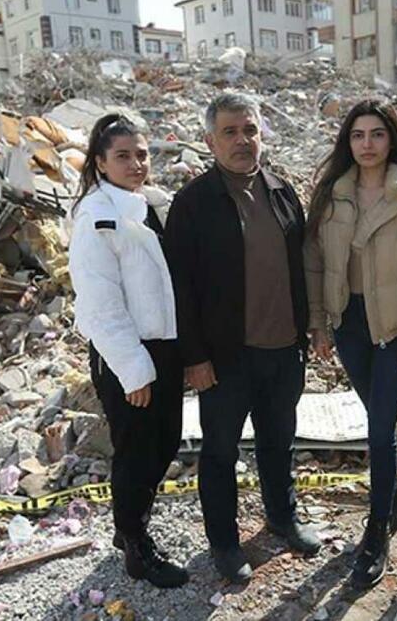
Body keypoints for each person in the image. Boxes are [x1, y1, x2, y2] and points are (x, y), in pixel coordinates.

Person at [163, 93, 319, 584]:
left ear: (261, 135)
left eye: (249, 130)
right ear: (210, 141)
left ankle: (282, 515)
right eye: (230, 132)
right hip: (225, 358)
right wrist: (194, 357)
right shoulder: (193, 203)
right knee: (220, 452)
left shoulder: (281, 192)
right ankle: (225, 544)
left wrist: (311, 328)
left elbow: (304, 266)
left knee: (279, 441)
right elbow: (180, 289)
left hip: (283, 349)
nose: (242, 141)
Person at [304, 100, 397, 589]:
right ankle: (396, 505)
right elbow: (315, 264)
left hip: (395, 328)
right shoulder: (331, 194)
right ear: (348, 143)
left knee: (380, 427)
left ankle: (375, 533)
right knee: (376, 418)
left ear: (393, 139)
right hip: (349, 325)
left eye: (377, 135)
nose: (367, 145)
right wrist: (319, 324)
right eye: (358, 136)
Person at [68, 114, 188, 588]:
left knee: (164, 443)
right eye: (123, 156)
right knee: (137, 452)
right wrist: (133, 370)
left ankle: (131, 525)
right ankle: (135, 545)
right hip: (128, 354)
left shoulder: (142, 206)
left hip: (163, 348)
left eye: (141, 154)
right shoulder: (97, 215)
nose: (136, 163)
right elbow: (99, 302)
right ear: (100, 162)